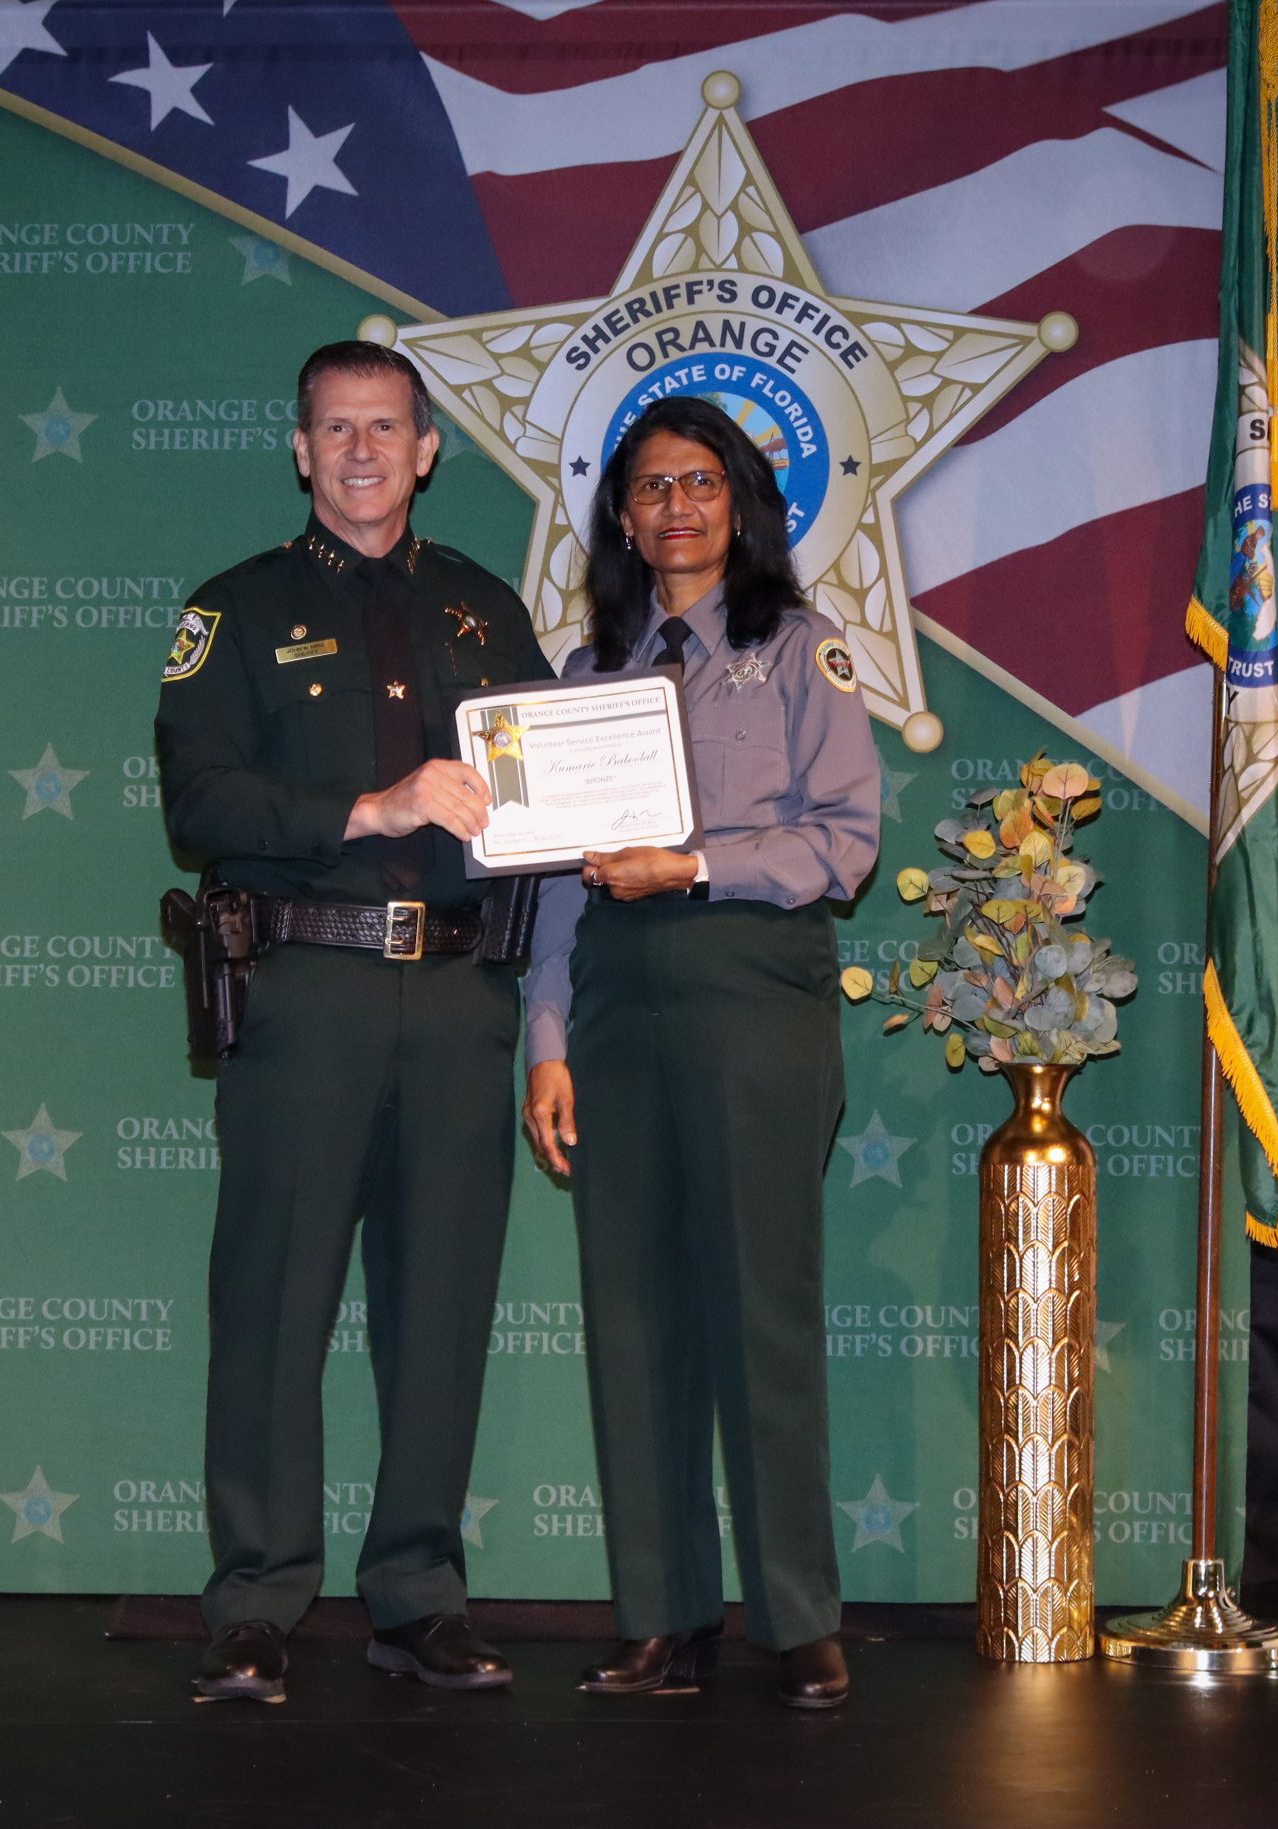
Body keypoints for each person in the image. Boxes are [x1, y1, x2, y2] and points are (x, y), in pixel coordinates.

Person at [157, 340, 555, 1704]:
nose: (364, 450)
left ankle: (419, 1595)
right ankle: (256, 1599)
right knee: (273, 1298)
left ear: (427, 449)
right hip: (306, 989)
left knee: (441, 1302)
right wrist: (365, 811)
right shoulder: (235, 608)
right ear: (301, 449)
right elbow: (199, 801)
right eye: (338, 428)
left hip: (457, 994)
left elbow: (550, 793)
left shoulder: (487, 610)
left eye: (387, 426)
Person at [520, 396, 884, 1709]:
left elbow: (847, 842)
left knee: (758, 1309)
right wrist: (547, 1042)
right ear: (622, 516)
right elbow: (553, 890)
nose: (676, 507)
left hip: (751, 991)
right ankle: (661, 1617)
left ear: (741, 505)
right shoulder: (584, 679)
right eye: (652, 487)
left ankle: (799, 1617)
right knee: (632, 1316)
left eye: (701, 483)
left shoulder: (798, 650)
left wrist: (696, 866)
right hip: (615, 1006)